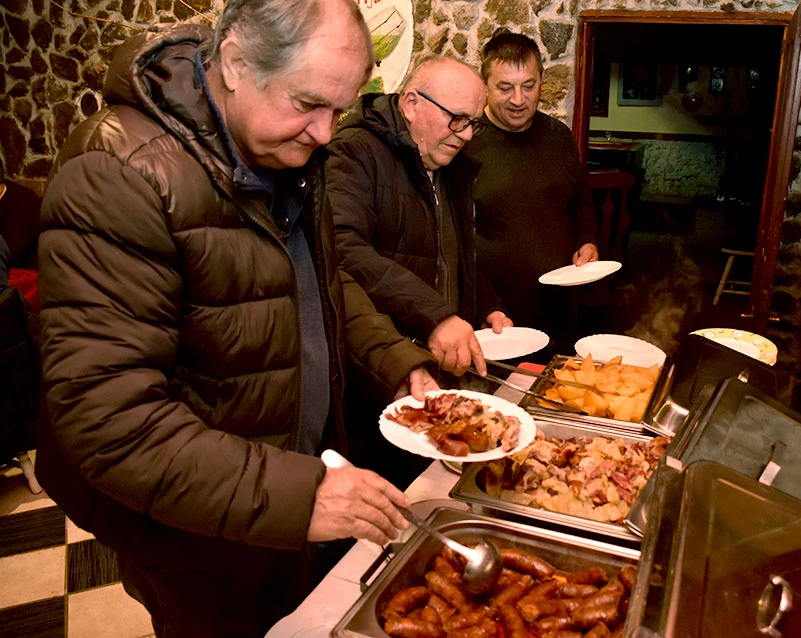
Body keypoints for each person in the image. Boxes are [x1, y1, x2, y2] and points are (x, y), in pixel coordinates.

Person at [36, 1, 438, 636]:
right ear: (233, 63)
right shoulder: (118, 172)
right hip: (196, 532)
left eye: (339, 111)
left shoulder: (288, 152)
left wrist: (394, 363)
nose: (325, 133)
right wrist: (299, 495)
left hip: (279, 496)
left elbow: (318, 286)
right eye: (308, 103)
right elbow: (109, 418)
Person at [326, 56, 511, 378]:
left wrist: (486, 306)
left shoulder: (448, 162)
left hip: (439, 359)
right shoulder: (354, 151)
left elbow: (452, 255)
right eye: (457, 119)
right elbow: (342, 250)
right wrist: (435, 316)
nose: (467, 134)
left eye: (473, 123)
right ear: (411, 104)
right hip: (381, 368)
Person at [462, 30, 599, 350]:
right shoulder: (465, 145)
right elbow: (455, 243)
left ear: (541, 81)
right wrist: (485, 304)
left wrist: (588, 240)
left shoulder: (559, 137)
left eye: (528, 86)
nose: (518, 99)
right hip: (495, 317)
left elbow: (582, 202)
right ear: (485, 86)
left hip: (558, 310)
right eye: (505, 88)